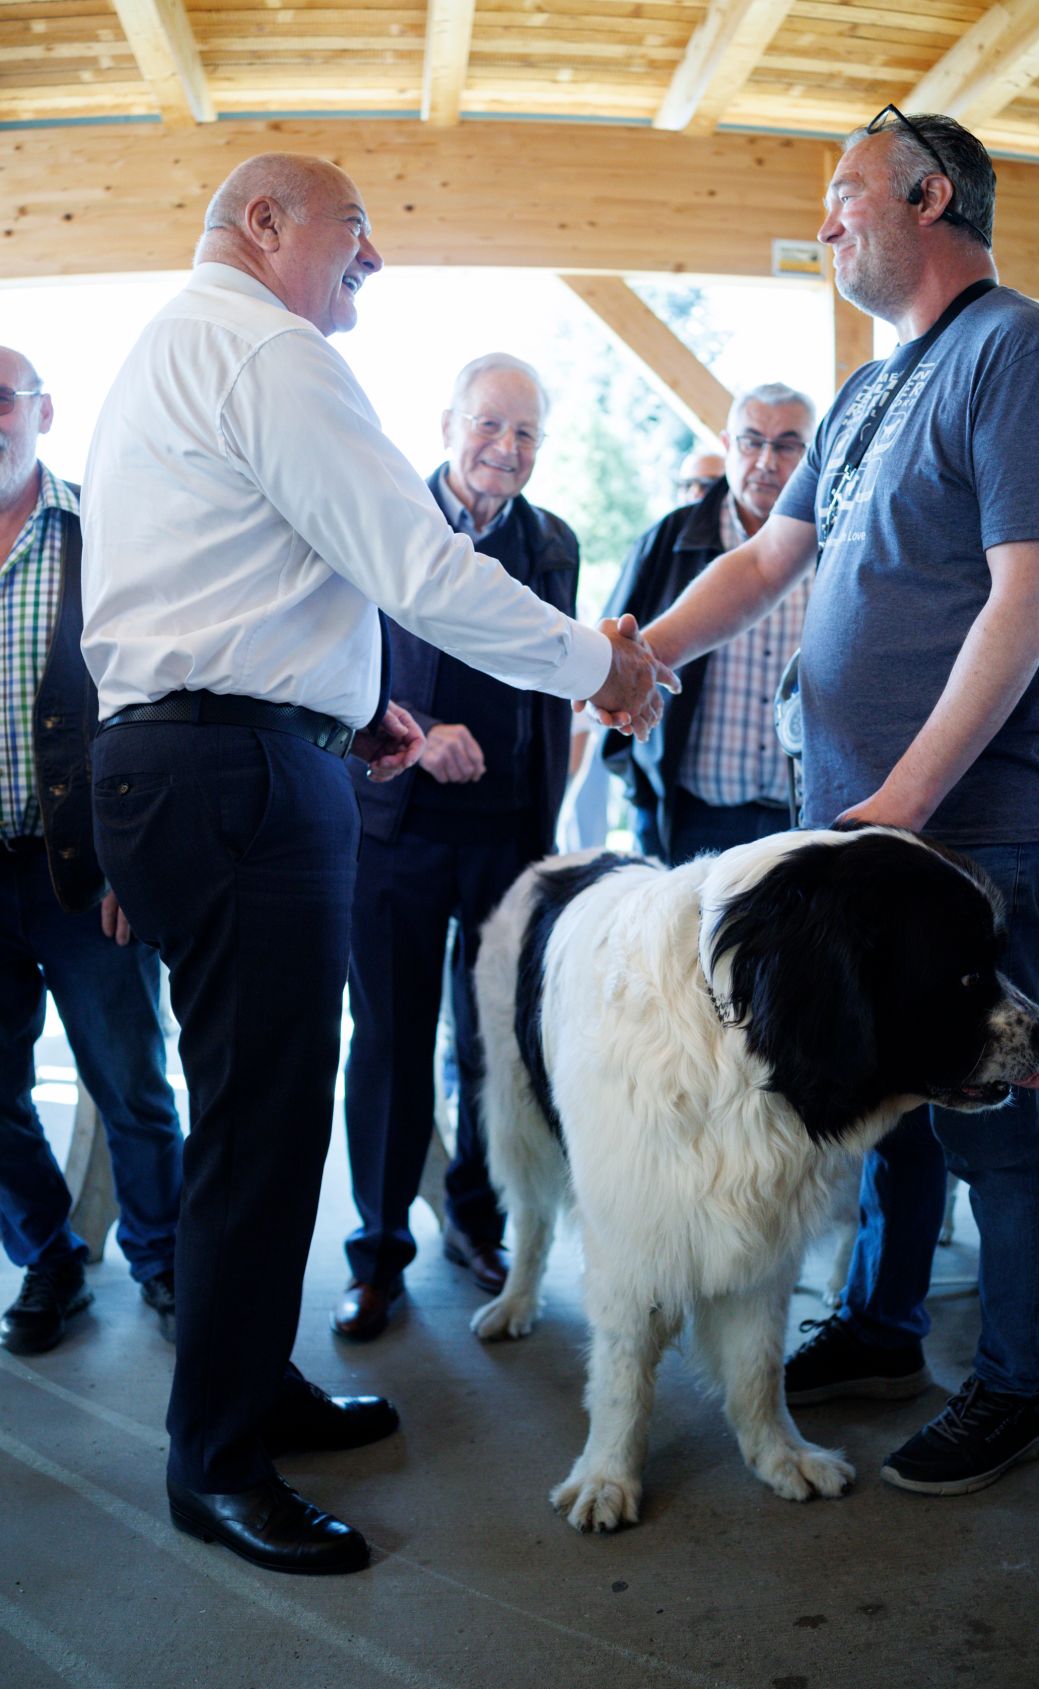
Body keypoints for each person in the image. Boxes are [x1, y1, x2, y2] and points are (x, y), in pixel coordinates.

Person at [80, 152, 674, 1577]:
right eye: (356, 228)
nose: (374, 260)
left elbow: (237, 589)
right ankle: (215, 1459)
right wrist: (604, 663)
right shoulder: (263, 348)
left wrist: (352, 712)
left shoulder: (183, 352)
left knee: (262, 1119)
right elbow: (417, 565)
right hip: (230, 780)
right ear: (266, 223)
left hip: (225, 762)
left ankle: (249, 1388)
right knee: (260, 1129)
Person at [634, 109, 1039, 1495]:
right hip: (872, 830)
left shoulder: (1023, 353)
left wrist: (899, 803)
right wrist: (638, 657)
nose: (828, 220)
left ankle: (1015, 1388)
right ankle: (889, 1325)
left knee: (996, 1114)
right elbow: (771, 562)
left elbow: (1030, 602)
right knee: (891, 1087)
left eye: (844, 194)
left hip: (968, 827)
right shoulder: (859, 397)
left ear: (931, 192)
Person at [335, 354, 579, 1340]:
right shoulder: (385, 521)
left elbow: (553, 669)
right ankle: (379, 1250)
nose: (506, 449)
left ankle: (474, 1226)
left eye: (525, 433)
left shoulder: (551, 541)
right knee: (390, 1044)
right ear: (447, 424)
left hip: (508, 840)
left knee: (490, 1050)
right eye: (490, 426)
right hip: (393, 830)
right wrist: (419, 730)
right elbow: (338, 657)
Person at [0, 347, 182, 1356]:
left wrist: (133, 857)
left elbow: (146, 702)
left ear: (42, 411)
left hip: (84, 870)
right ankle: (49, 1255)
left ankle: (164, 1260)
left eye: (0, 396)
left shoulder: (101, 533)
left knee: (131, 1080)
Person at [605, 384, 816, 864]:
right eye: (751, 441)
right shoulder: (669, 538)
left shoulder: (837, 545)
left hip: (801, 818)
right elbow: (622, 650)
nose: (766, 460)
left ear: (812, 454)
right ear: (726, 445)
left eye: (786, 445)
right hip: (691, 815)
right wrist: (641, 788)